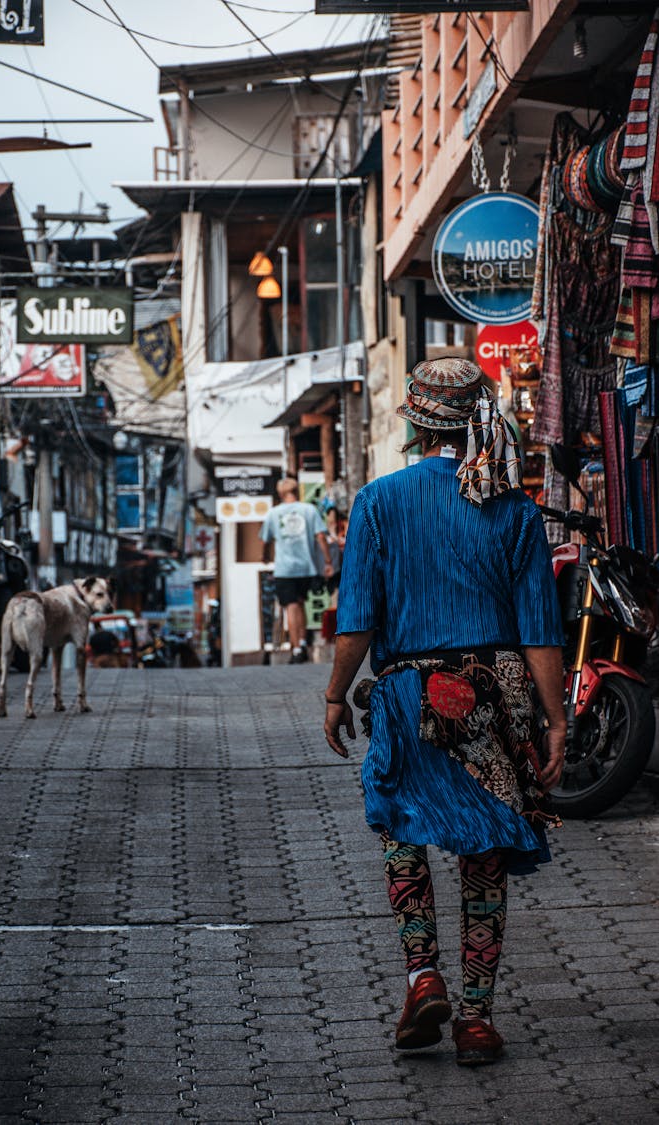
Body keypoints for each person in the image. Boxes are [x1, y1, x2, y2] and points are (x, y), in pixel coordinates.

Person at [323, 357, 566, 1067]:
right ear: (476, 421)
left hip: (406, 690)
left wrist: (337, 693)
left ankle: (420, 974)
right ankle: (478, 1019)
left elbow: (357, 620)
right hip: (497, 692)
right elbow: (540, 630)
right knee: (485, 848)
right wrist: (556, 719)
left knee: (401, 826)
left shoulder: (379, 500)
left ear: (416, 422)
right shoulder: (516, 509)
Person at [260, 478, 333, 663]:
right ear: (296, 491)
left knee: (291, 606)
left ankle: (297, 649)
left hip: (285, 569)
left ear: (280, 494)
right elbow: (321, 537)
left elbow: (265, 539)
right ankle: (301, 641)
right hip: (307, 567)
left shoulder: (273, 513)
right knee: (300, 603)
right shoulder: (309, 510)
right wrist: (327, 561)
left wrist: (265, 556)